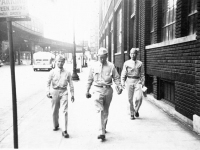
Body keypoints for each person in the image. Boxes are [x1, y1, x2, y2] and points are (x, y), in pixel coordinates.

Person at [86, 47, 122, 141]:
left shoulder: (111, 66)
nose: (101, 59)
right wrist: (87, 90)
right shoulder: (94, 66)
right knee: (100, 109)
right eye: (100, 57)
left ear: (106, 56)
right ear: (98, 57)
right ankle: (101, 132)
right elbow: (89, 79)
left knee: (105, 110)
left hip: (108, 90)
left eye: (103, 57)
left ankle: (103, 127)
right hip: (97, 90)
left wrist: (119, 86)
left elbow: (116, 78)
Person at [46, 54, 74, 138]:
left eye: (62, 61)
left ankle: (64, 130)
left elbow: (71, 84)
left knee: (64, 111)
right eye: (58, 61)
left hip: (64, 91)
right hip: (54, 91)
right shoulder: (52, 72)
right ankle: (55, 125)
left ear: (64, 62)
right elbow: (47, 83)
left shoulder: (67, 72)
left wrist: (72, 94)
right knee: (55, 110)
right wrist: (48, 91)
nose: (60, 63)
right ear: (55, 62)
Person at [121, 48, 145, 120]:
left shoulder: (140, 63)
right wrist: (122, 82)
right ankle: (132, 113)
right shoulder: (126, 63)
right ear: (129, 54)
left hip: (137, 81)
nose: (132, 55)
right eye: (131, 53)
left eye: (134, 53)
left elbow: (142, 74)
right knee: (129, 98)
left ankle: (136, 110)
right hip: (129, 81)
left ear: (136, 54)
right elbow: (123, 74)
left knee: (139, 97)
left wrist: (143, 83)